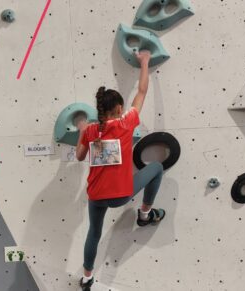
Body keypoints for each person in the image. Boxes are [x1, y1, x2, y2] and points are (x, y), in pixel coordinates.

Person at [75, 50, 166, 291]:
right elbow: (142, 91)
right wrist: (144, 62)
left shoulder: (92, 131)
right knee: (156, 168)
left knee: (93, 233)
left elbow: (79, 156)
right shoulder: (126, 123)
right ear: (118, 108)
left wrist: (82, 131)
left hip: (96, 196)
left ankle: (86, 278)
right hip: (119, 196)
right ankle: (145, 214)